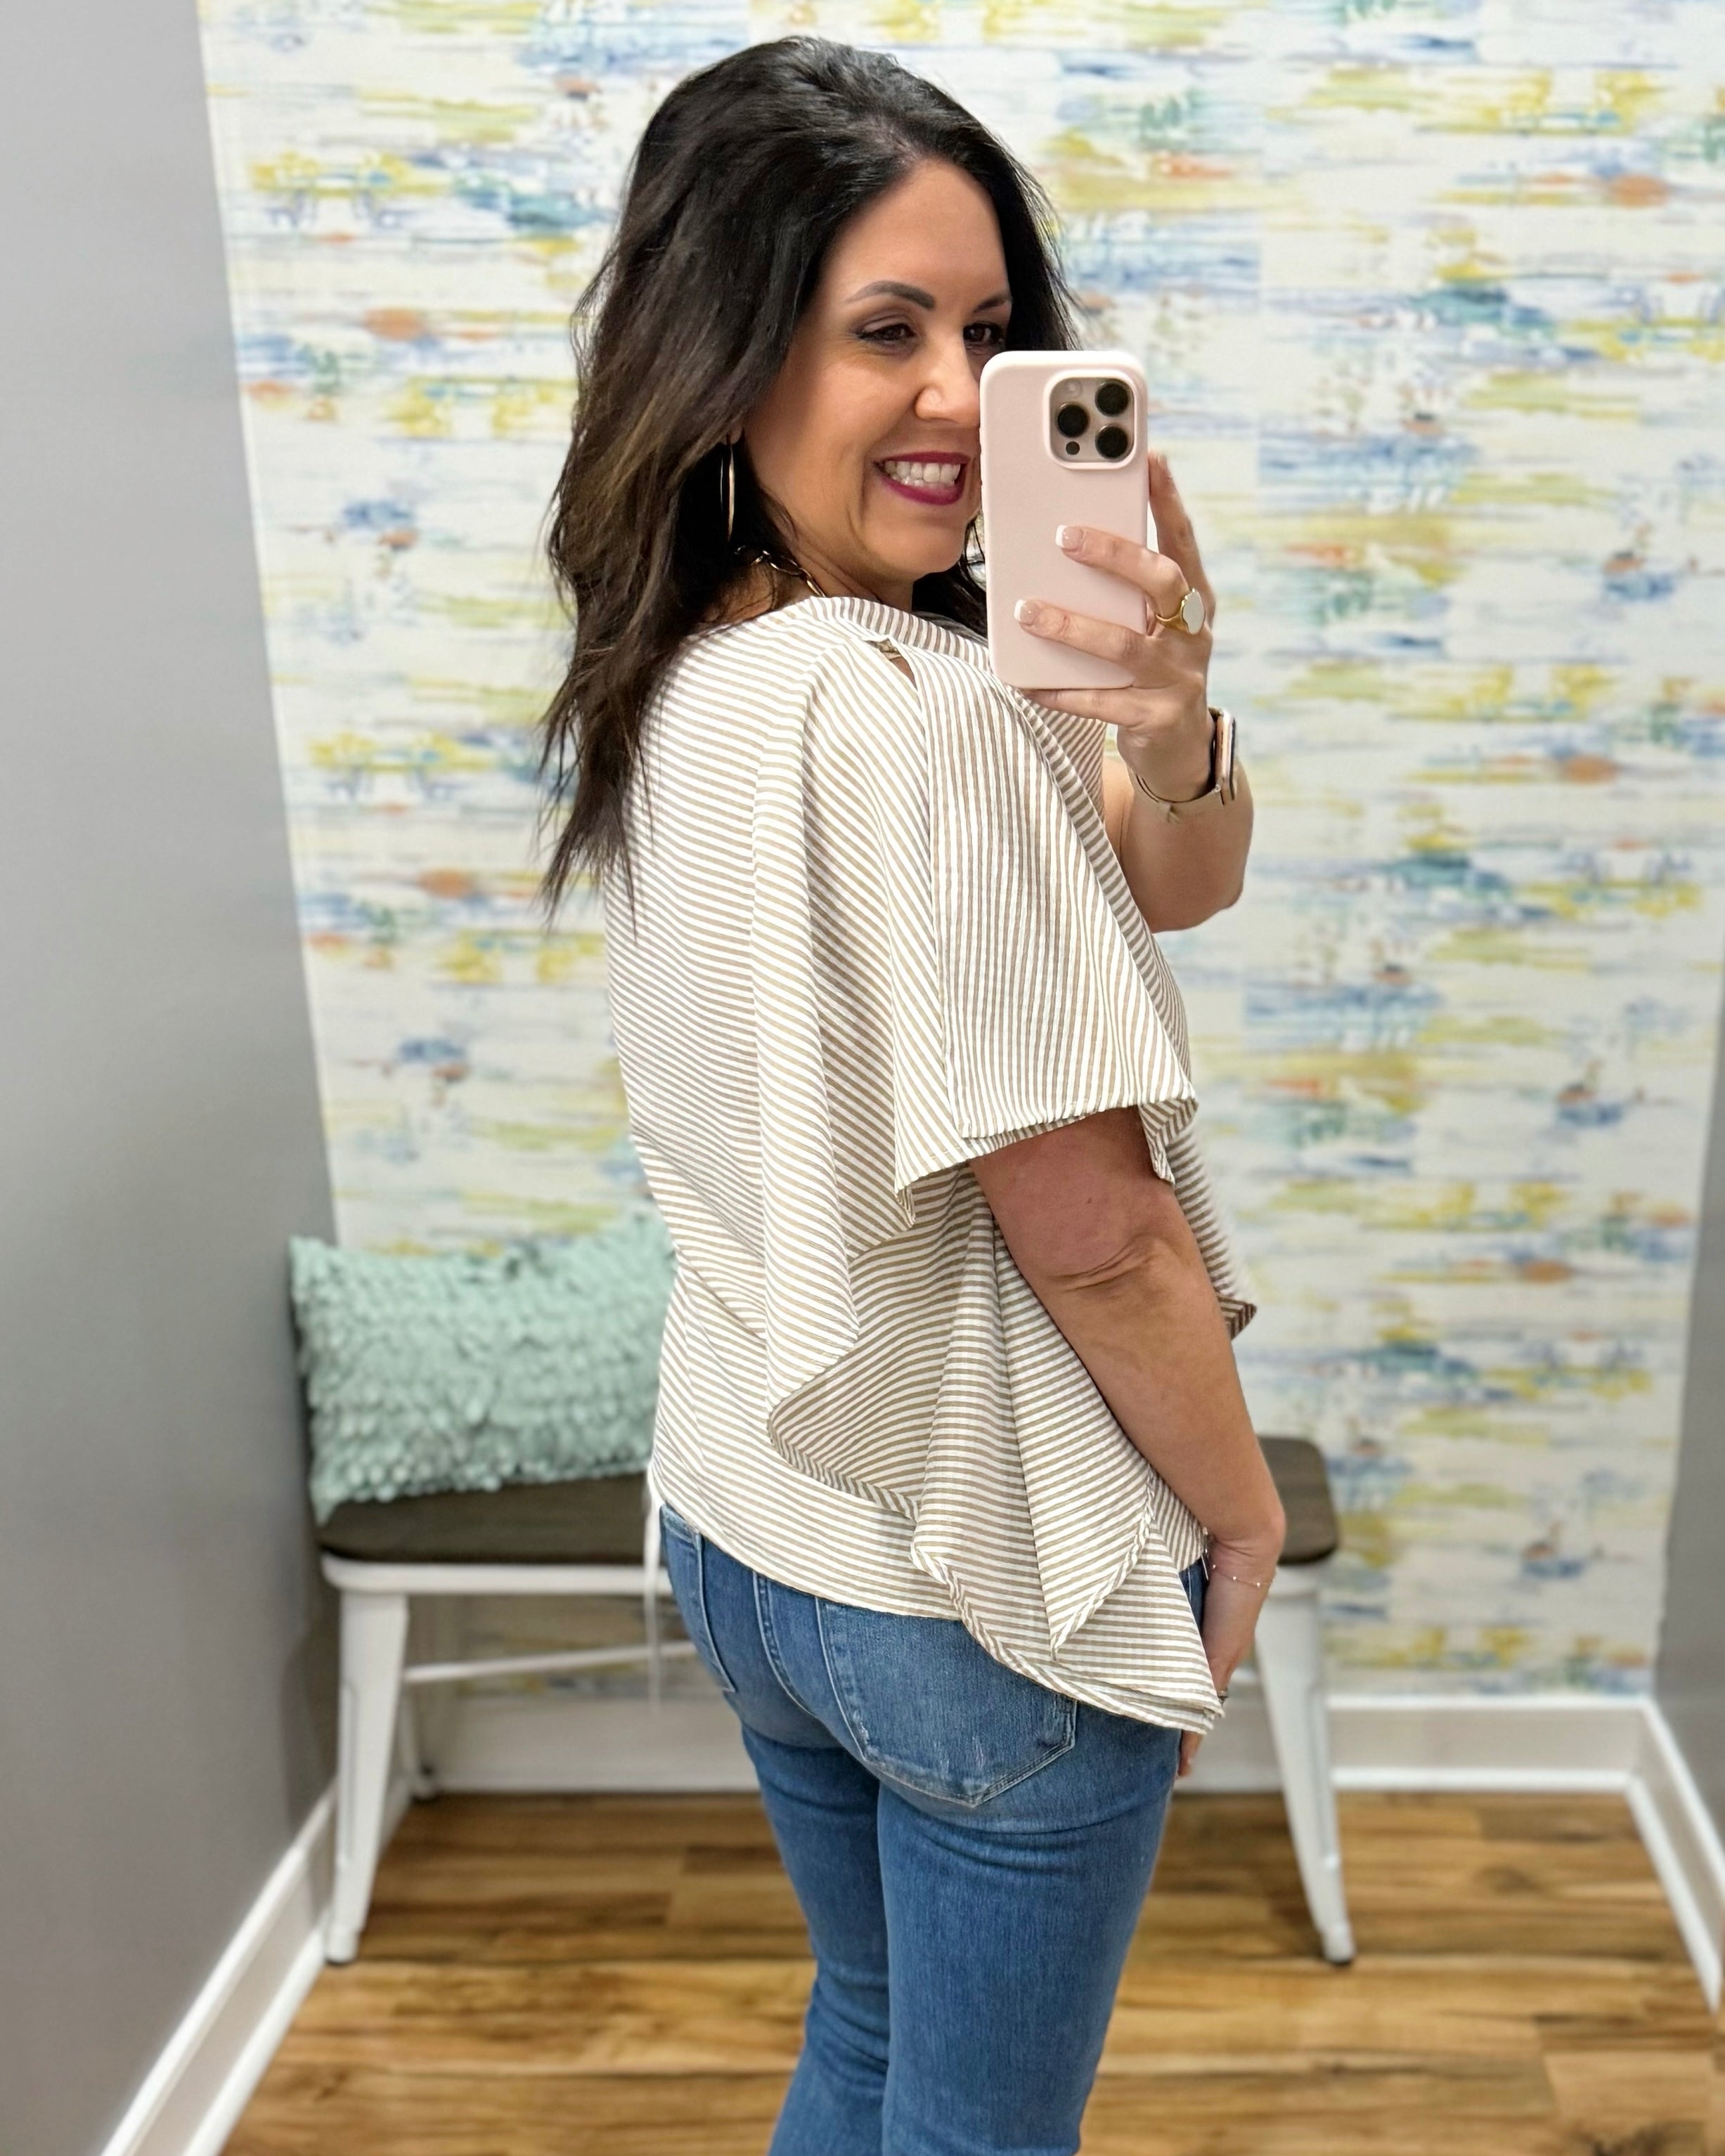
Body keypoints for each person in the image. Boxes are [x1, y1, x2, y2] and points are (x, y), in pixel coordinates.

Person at [538, 37, 1286, 2156]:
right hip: (969, 1582)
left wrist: (1171, 712)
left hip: (754, 1517)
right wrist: (1236, 1515)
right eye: (888, 332)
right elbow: (1099, 1231)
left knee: (869, 2046)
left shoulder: (693, 667)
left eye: (991, 330)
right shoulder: (921, 719)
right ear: (730, 348)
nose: (961, 394)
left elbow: (1174, 884)